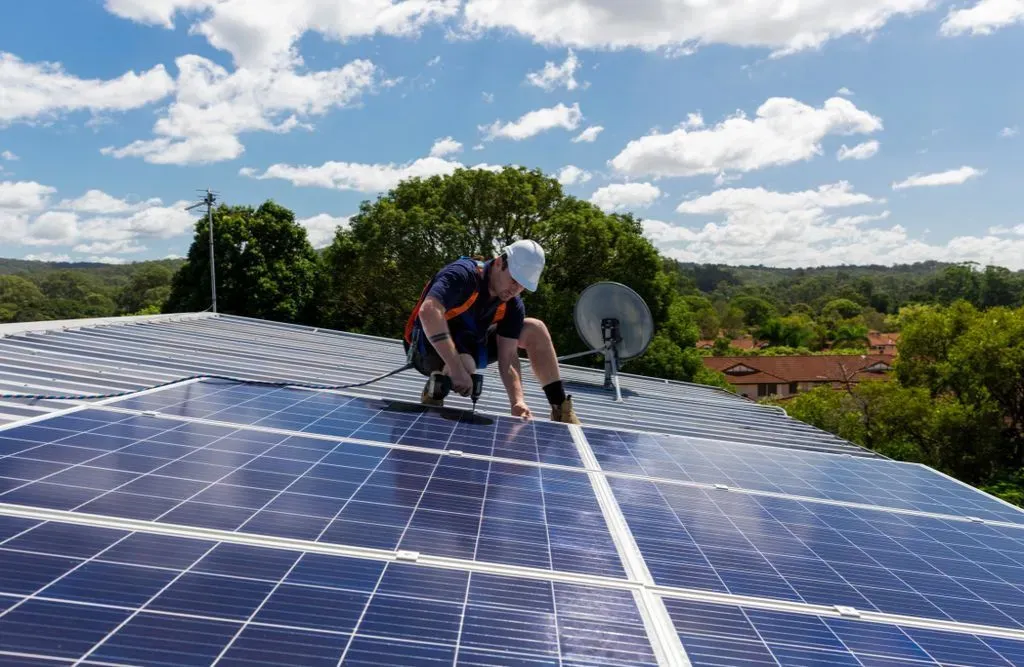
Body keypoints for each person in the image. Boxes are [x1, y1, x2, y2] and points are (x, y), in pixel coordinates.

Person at [402, 239, 580, 424]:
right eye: (513, 280)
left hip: (470, 343)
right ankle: (436, 387)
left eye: (522, 286)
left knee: (535, 328)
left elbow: (509, 356)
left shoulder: (513, 303)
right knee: (465, 364)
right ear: (498, 263)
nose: (515, 289)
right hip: (425, 347)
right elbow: (429, 311)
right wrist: (455, 367)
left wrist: (517, 401)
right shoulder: (462, 275)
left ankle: (560, 407)